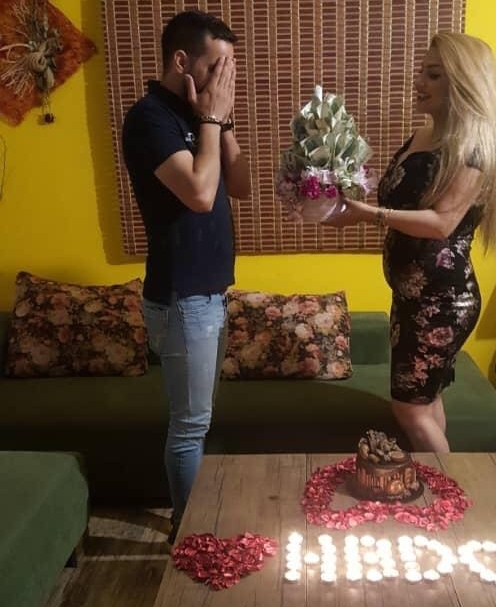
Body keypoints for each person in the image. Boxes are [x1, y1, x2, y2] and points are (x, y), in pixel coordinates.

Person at [324, 32, 496, 452]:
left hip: (442, 301)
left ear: (463, 82)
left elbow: (442, 224)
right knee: (426, 405)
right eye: (422, 71)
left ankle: (455, 488)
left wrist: (368, 214)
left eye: (434, 75)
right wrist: (344, 209)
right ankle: (438, 486)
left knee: (409, 411)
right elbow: (399, 208)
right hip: (412, 298)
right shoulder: (423, 134)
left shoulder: (473, 148)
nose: (419, 82)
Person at [122, 10, 251, 542]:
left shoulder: (198, 117)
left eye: (231, 69)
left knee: (201, 420)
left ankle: (193, 525)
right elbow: (200, 193)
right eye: (218, 66)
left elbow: (239, 185)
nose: (226, 78)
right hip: (181, 298)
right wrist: (211, 121)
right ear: (181, 61)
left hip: (209, 294)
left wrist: (222, 120)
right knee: (190, 426)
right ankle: (189, 535)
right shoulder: (150, 119)